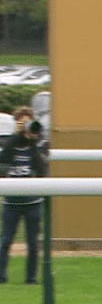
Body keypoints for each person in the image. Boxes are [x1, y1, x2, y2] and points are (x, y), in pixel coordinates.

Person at [0, 106, 48, 284]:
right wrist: (17, 135)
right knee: (5, 241)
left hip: (33, 202)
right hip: (11, 202)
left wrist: (32, 139)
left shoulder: (37, 144)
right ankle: (1, 276)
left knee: (33, 244)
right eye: (22, 122)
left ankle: (31, 278)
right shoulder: (11, 143)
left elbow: (41, 169)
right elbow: (3, 160)